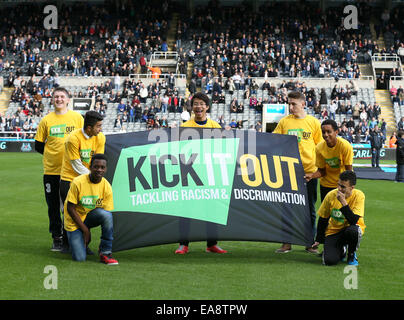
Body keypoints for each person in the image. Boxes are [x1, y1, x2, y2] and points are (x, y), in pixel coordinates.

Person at [175, 92, 227, 254]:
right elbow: (179, 152)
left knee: (211, 210)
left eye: (201, 104)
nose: (198, 107)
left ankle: (212, 244)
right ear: (192, 107)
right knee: (186, 210)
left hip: (209, 174)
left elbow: (222, 150)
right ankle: (183, 244)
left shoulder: (215, 127)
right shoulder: (184, 127)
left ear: (207, 107)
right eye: (195, 104)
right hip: (190, 174)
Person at [34, 87, 84, 251]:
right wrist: (53, 155)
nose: (59, 99)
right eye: (56, 97)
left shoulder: (77, 118)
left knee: (71, 206)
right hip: (52, 171)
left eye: (62, 96)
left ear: (68, 99)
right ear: (52, 100)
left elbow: (85, 140)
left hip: (72, 172)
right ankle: (57, 237)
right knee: (53, 207)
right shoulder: (46, 120)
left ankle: (70, 237)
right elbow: (39, 145)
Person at [273, 91, 323, 254]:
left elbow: (320, 148)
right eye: (289, 103)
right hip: (288, 172)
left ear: (303, 104)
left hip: (309, 173)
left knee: (309, 210)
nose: (290, 106)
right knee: (286, 208)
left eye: (293, 103)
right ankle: (286, 243)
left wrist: (318, 171)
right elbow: (273, 142)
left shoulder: (314, 123)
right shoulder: (284, 122)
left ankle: (309, 243)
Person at [59, 110, 106, 252]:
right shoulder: (72, 138)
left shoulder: (100, 137)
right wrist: (93, 176)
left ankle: (83, 244)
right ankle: (66, 243)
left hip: (87, 179)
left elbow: (98, 159)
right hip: (69, 179)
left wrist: (94, 176)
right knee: (69, 212)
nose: (100, 129)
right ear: (89, 128)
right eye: (98, 126)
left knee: (86, 210)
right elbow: (76, 164)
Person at [64, 153, 118, 265]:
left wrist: (87, 228)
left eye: (102, 167)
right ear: (90, 167)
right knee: (80, 258)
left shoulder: (107, 186)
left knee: (107, 215)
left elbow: (106, 214)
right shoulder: (78, 182)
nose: (99, 170)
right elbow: (70, 208)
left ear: (106, 169)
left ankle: (105, 253)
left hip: (88, 218)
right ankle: (72, 238)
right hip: (74, 220)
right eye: (96, 167)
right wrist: (85, 231)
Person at [311, 171, 365, 266]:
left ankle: (351, 254)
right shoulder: (331, 195)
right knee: (329, 261)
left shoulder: (359, 196)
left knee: (354, 230)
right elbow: (323, 218)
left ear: (352, 188)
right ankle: (342, 250)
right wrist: (318, 239)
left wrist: (343, 202)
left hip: (350, 229)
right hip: (333, 231)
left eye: (343, 187)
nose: (339, 189)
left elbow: (353, 221)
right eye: (338, 185)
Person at [308, 119, 354, 202]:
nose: (325, 135)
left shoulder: (345, 146)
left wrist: (347, 188)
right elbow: (322, 171)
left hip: (341, 186)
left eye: (329, 132)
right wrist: (311, 176)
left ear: (336, 132)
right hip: (325, 186)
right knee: (326, 214)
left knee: (339, 213)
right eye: (323, 132)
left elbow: (349, 171)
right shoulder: (319, 148)